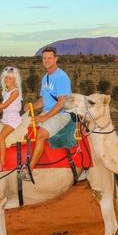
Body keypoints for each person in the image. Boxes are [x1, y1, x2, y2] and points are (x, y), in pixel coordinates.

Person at [18, 46, 72, 180]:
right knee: (23, 125)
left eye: (49, 58)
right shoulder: (45, 78)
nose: (46, 60)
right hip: (47, 111)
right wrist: (31, 106)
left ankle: (29, 171)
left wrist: (44, 117)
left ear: (56, 59)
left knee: (41, 134)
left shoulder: (61, 77)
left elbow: (61, 103)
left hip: (62, 113)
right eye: (44, 58)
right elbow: (43, 100)